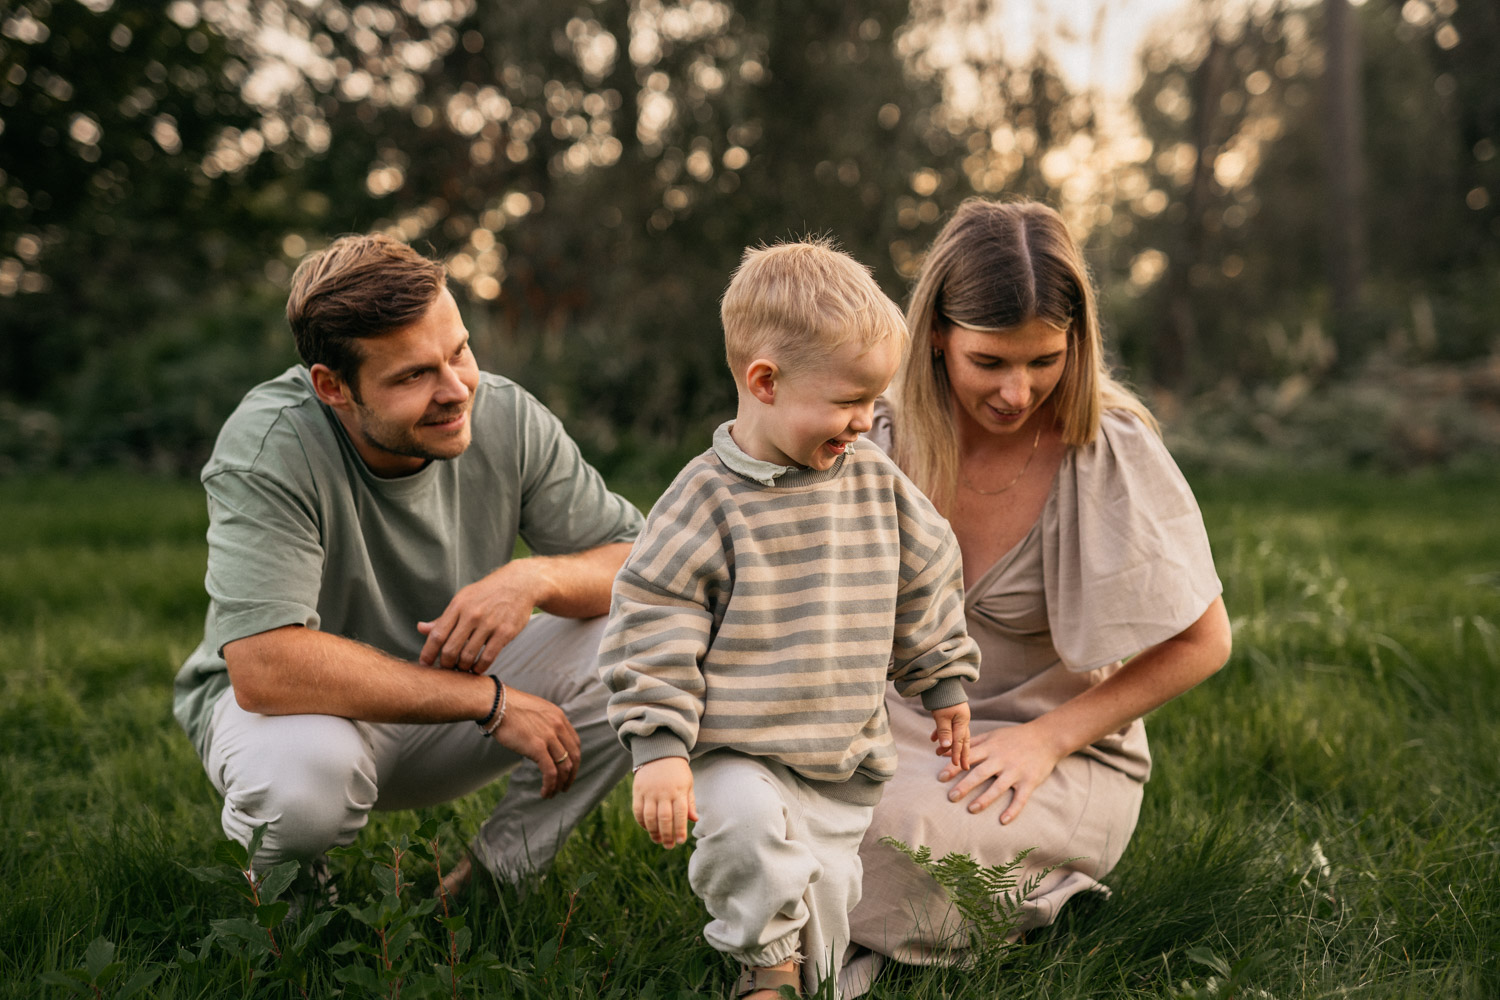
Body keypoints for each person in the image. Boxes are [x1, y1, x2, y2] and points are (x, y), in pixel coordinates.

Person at [171, 233, 644, 892]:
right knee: (302, 787)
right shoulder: (269, 447)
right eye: (414, 375)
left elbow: (643, 570)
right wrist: (490, 700)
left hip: (441, 704)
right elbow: (264, 667)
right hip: (304, 714)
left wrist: (532, 577)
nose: (456, 390)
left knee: (638, 641)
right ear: (333, 387)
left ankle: (490, 886)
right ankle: (296, 922)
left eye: (459, 353)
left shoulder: (507, 417)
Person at [841, 199, 1232, 991]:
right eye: (991, 362)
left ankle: (981, 904)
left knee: (904, 837)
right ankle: (887, 928)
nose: (1018, 393)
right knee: (771, 792)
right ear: (939, 336)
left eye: (1043, 360)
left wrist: (1046, 739)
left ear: (1075, 343)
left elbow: (1205, 642)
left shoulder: (1107, 447)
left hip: (1052, 750)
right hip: (900, 723)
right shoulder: (875, 434)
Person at [597, 239, 982, 999]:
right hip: (735, 746)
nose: (866, 423)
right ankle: (763, 973)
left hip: (839, 758)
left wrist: (942, 682)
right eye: (847, 402)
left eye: (876, 403)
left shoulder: (874, 480)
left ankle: (809, 974)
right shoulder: (704, 501)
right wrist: (661, 744)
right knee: (745, 833)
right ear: (764, 382)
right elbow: (654, 615)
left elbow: (926, 572)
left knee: (827, 911)